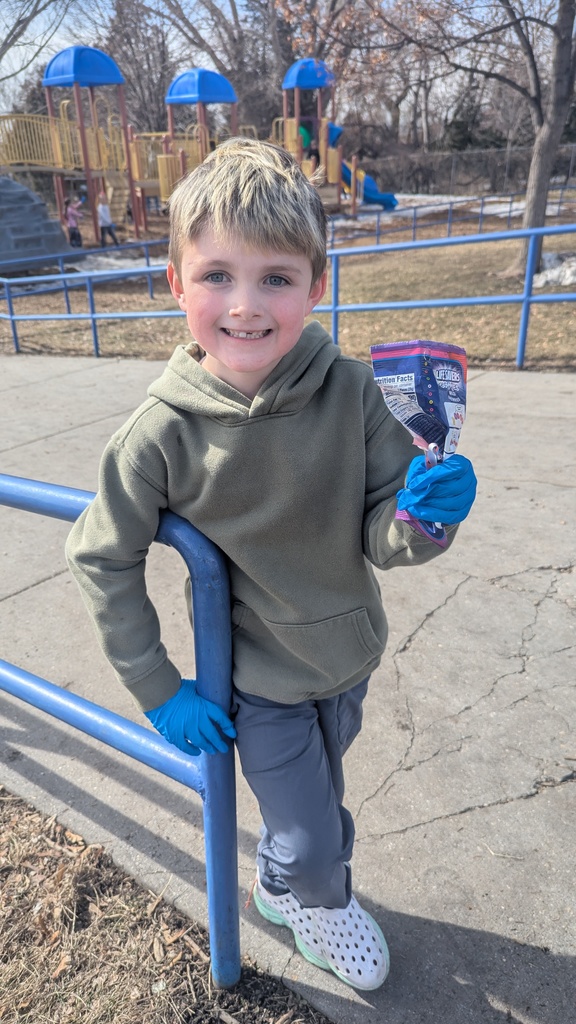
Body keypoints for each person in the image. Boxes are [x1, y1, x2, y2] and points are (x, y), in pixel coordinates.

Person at [65, 138, 476, 992]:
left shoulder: (354, 393)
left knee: (320, 804)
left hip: (348, 659)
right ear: (175, 283)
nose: (245, 306)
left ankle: (287, 873)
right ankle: (312, 897)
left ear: (315, 286)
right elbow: (102, 556)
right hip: (258, 687)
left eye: (275, 279)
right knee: (318, 840)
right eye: (216, 275)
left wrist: (425, 518)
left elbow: (382, 534)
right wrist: (157, 687)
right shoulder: (159, 434)